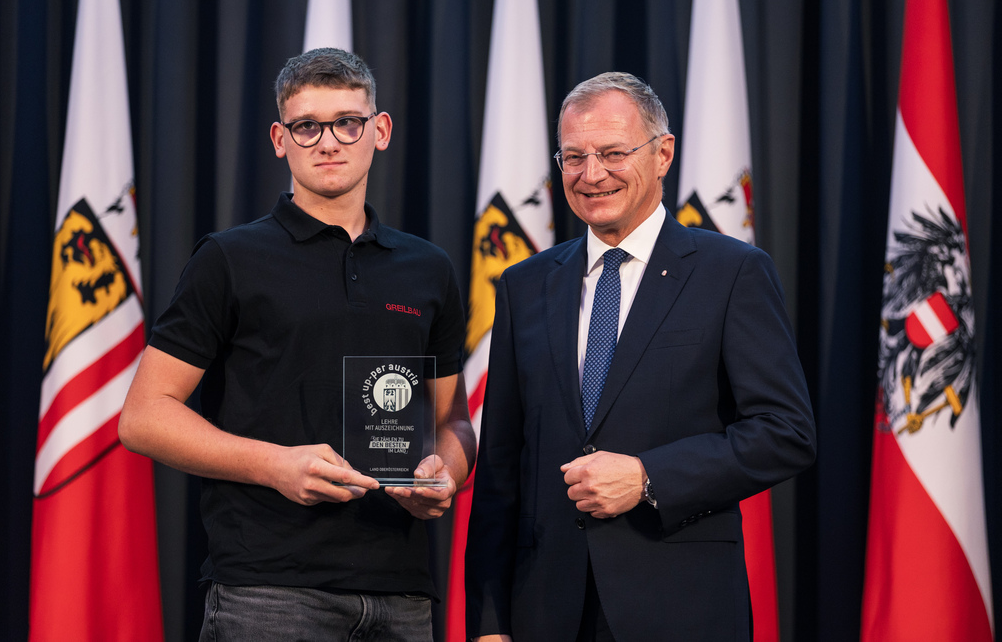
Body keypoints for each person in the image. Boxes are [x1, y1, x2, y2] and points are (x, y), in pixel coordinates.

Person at [119, 48, 475, 641]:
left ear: (380, 130)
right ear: (280, 139)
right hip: (268, 593)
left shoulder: (428, 269)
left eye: (347, 123)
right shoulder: (230, 258)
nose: (328, 142)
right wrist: (276, 465)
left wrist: (446, 473)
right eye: (307, 126)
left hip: (402, 594)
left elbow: (452, 421)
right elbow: (143, 417)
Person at [464, 72, 816, 641]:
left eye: (612, 153)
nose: (591, 174)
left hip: (681, 608)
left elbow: (786, 432)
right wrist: (488, 623)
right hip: (544, 610)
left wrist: (650, 476)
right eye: (573, 157)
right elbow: (502, 466)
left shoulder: (732, 272)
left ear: (663, 154)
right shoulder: (524, 285)